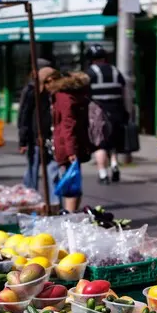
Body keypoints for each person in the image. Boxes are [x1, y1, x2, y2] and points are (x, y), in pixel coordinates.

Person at [47, 70, 94, 213]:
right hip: (72, 145)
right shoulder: (73, 97)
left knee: (71, 184)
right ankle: (69, 216)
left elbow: (68, 126)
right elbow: (70, 125)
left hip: (67, 145)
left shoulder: (63, 96)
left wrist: (71, 150)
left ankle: (69, 216)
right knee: (73, 184)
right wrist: (72, 150)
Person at [18, 60, 60, 209]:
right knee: (32, 170)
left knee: (52, 171)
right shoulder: (31, 92)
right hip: (34, 138)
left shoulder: (55, 93)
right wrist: (23, 140)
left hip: (51, 138)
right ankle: (31, 201)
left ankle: (54, 203)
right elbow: (24, 116)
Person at [84, 44, 128, 184]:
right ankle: (114, 165)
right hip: (117, 111)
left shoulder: (89, 73)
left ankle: (103, 174)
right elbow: (124, 93)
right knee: (113, 142)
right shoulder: (116, 71)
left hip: (98, 114)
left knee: (100, 144)